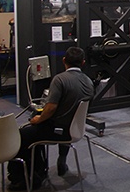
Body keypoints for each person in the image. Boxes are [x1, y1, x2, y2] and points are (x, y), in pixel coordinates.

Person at [8, 47, 94, 190]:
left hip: (58, 130)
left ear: (64, 60)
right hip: (76, 129)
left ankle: (24, 178)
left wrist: (39, 119)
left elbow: (50, 108)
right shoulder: (89, 82)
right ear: (83, 63)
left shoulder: (60, 79)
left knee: (22, 134)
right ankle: (41, 170)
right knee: (35, 132)